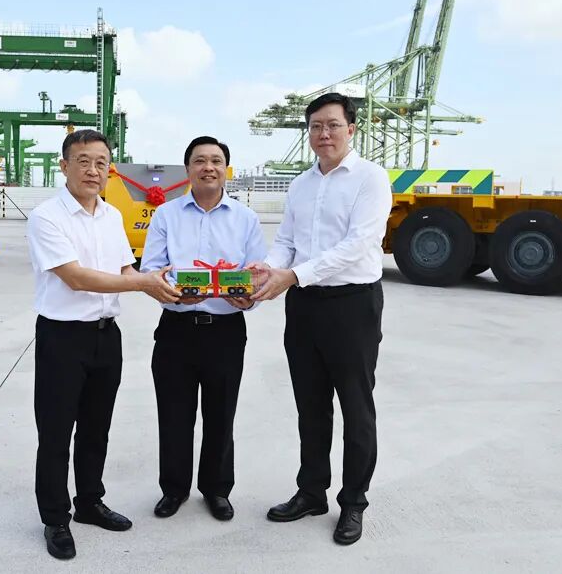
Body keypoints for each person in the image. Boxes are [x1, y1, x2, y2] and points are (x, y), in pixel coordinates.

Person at [27, 129, 181, 560]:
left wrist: (161, 284)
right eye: (83, 161)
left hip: (105, 336)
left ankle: (89, 502)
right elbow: (76, 278)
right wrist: (142, 284)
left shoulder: (111, 216)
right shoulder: (46, 217)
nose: (93, 170)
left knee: (97, 428)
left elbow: (125, 270)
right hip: (62, 337)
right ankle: (55, 518)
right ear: (64, 166)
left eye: (101, 163)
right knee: (56, 432)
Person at [248, 93, 393, 545]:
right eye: (315, 126)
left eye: (332, 125)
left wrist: (292, 275)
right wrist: (269, 268)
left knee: (355, 406)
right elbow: (287, 241)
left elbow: (358, 244)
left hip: (352, 305)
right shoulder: (301, 184)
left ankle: (354, 502)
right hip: (304, 305)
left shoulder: (371, 178)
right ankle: (311, 492)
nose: (323, 134)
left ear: (351, 129)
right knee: (310, 405)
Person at [140, 136, 266, 522]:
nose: (208, 167)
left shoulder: (246, 218)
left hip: (225, 331)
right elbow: (151, 269)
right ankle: (174, 489)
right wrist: (171, 293)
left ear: (226, 169)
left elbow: (257, 273)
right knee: (174, 414)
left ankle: (217, 489)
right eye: (199, 161)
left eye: (215, 161)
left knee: (220, 415)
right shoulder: (166, 215)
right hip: (176, 328)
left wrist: (249, 298)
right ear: (188, 169)